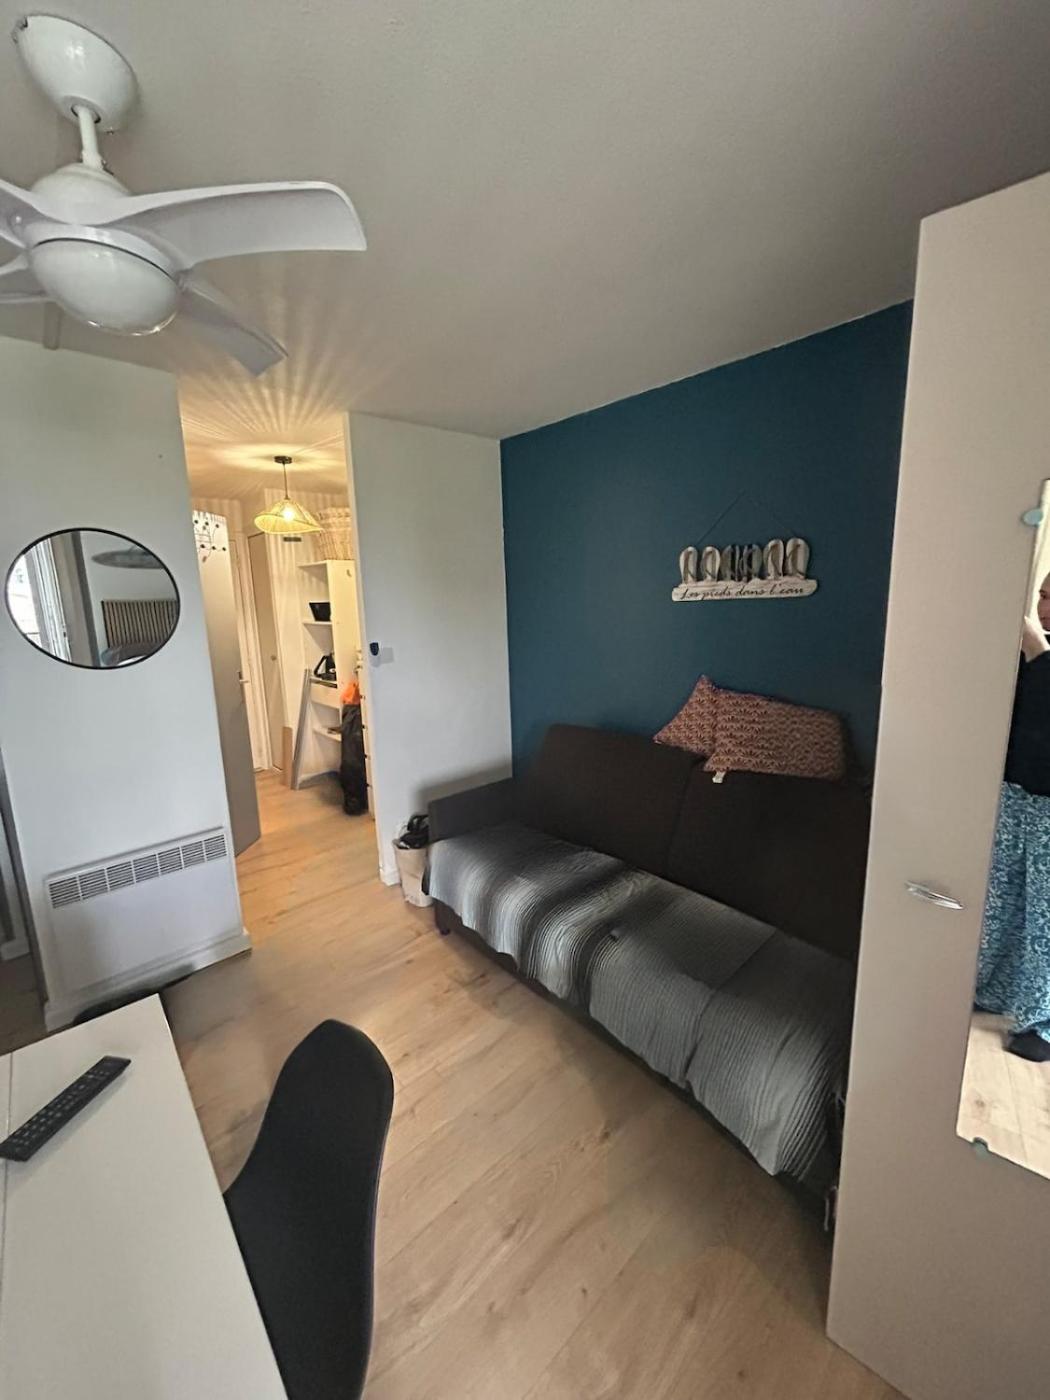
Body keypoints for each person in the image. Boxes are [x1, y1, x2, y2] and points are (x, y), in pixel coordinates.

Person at [977, 572, 1050, 1061]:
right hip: (1014, 790)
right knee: (1001, 898)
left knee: (1045, 915)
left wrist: (1039, 653)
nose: (1044, 604)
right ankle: (994, 989)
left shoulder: (1039, 651)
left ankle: (1042, 1024)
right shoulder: (1031, 652)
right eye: (1042, 594)